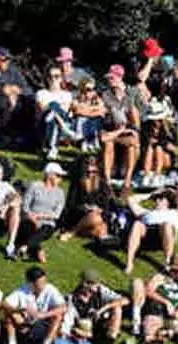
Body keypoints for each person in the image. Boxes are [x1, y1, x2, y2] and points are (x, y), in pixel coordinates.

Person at [2, 266, 67, 344]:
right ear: (31, 283)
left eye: (44, 281)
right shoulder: (22, 290)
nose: (43, 285)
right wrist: (19, 311)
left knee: (57, 316)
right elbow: (5, 304)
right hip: (27, 324)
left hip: (44, 325)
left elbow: (63, 307)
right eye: (40, 283)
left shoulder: (50, 289)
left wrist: (43, 315)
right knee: (9, 316)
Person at [63, 268, 129, 344]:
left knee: (117, 309)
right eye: (94, 284)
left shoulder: (101, 290)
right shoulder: (72, 300)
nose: (96, 286)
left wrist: (103, 308)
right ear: (85, 284)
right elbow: (68, 326)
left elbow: (125, 300)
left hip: (100, 326)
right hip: (85, 330)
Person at [124, 188, 178, 274]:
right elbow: (130, 200)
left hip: (164, 237)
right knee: (137, 224)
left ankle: (167, 262)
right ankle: (129, 262)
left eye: (160, 199)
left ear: (168, 203)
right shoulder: (146, 213)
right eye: (157, 199)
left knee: (166, 225)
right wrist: (151, 194)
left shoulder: (176, 214)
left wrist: (174, 191)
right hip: (147, 237)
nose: (157, 201)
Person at [130, 257, 178, 344]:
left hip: (171, 314)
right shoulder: (160, 276)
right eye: (175, 270)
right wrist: (166, 302)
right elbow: (148, 291)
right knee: (137, 283)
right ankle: (137, 326)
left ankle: (155, 337)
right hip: (155, 306)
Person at [101, 64, 141, 193]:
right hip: (111, 129)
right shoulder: (105, 95)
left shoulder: (129, 96)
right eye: (109, 78)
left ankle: (127, 182)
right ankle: (106, 181)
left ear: (119, 78)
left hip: (125, 130)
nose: (109, 80)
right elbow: (103, 114)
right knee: (108, 142)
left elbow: (135, 119)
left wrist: (132, 130)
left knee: (132, 144)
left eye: (112, 78)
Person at [62, 154, 116, 244]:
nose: (90, 175)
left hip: (97, 217)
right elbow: (70, 205)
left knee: (101, 227)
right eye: (87, 172)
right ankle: (72, 232)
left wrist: (101, 210)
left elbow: (107, 206)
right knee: (94, 217)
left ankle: (86, 236)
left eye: (94, 172)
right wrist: (84, 207)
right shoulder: (77, 183)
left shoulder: (102, 185)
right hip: (78, 216)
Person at [21, 162, 67, 263]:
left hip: (47, 222)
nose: (60, 179)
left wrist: (40, 216)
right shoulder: (34, 186)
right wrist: (31, 216)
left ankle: (26, 246)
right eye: (58, 176)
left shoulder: (60, 193)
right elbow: (25, 205)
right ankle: (37, 249)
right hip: (30, 218)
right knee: (29, 227)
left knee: (45, 230)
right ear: (50, 175)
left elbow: (56, 214)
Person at [36, 64, 76, 160]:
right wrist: (54, 109)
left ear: (61, 78)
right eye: (50, 76)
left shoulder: (67, 95)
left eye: (56, 76)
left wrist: (53, 111)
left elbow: (65, 111)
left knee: (53, 112)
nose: (53, 79)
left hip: (61, 121)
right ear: (47, 78)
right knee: (53, 108)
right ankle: (62, 131)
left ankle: (52, 148)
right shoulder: (41, 93)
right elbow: (42, 109)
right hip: (46, 125)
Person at [70, 77, 106, 153]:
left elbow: (102, 110)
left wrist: (87, 110)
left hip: (93, 125)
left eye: (93, 89)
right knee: (82, 118)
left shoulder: (96, 99)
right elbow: (77, 111)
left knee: (96, 119)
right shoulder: (77, 99)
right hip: (79, 127)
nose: (91, 91)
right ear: (82, 89)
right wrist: (94, 110)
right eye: (88, 89)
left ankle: (92, 141)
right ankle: (86, 141)